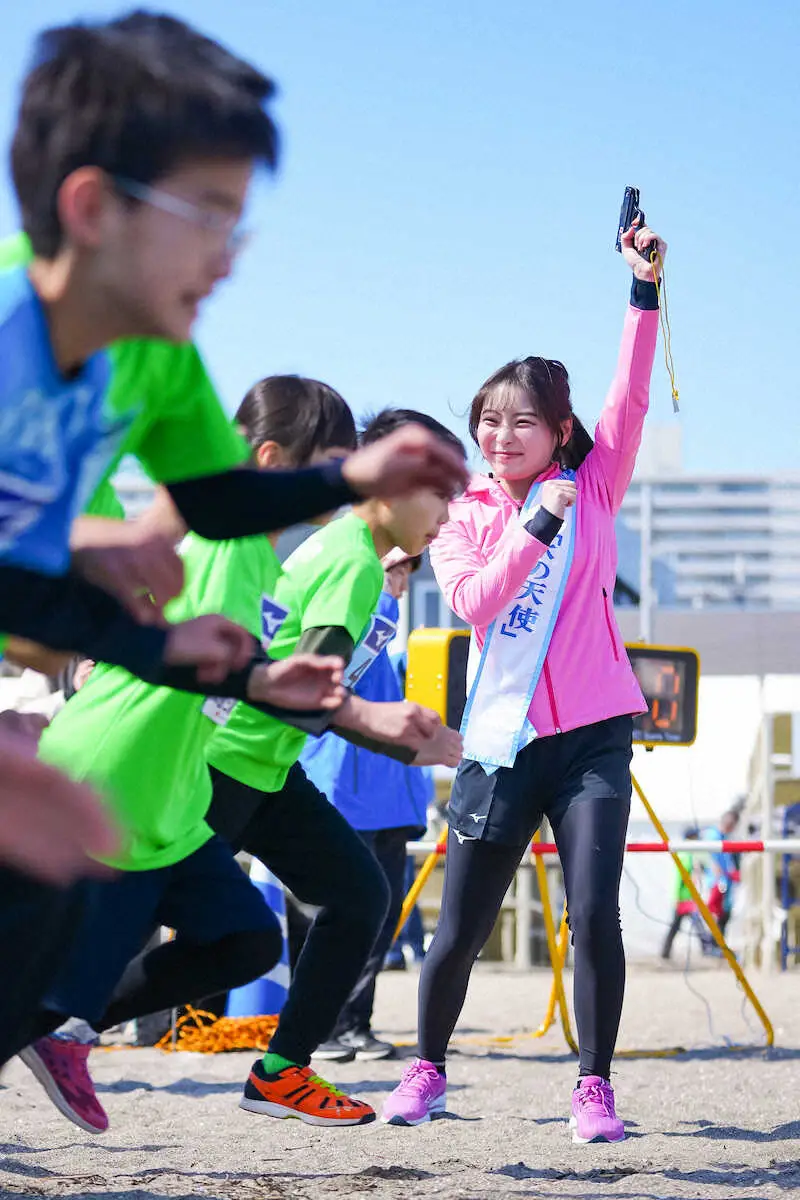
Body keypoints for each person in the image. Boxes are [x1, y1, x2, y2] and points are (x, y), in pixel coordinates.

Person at [0, 11, 468, 885]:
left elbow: (221, 500)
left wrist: (352, 473)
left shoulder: (158, 357)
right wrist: (87, 552)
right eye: (209, 220)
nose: (229, 263)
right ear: (94, 208)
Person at [18, 386, 462, 1133]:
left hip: (262, 766)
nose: (448, 516)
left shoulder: (322, 551)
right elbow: (306, 682)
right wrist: (394, 731)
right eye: (441, 496)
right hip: (216, 763)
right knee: (132, 923)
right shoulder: (347, 562)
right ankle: (64, 1026)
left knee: (344, 900)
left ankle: (278, 1067)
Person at [381, 219, 667, 1144]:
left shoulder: (598, 483)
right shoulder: (464, 515)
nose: (499, 436)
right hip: (501, 741)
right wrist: (532, 526)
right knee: (459, 925)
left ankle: (593, 1087)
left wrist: (643, 292)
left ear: (559, 431)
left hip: (593, 734)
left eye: (521, 421)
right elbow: (472, 601)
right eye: (487, 421)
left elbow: (627, 397)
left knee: (593, 915)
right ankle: (426, 1069)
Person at [301, 549, 434, 1062]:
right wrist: (378, 596)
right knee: (340, 914)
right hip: (344, 792)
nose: (398, 581)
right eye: (392, 569)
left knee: (382, 918)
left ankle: (355, 1023)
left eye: (403, 573)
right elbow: (342, 680)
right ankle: (324, 1026)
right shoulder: (352, 625)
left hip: (392, 799)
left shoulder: (399, 651)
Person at [661, 827, 701, 960]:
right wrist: (677, 897)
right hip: (685, 898)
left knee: (678, 926)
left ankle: (665, 951)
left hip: (687, 897)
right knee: (683, 926)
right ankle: (665, 951)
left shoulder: (688, 854)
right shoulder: (685, 855)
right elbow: (680, 877)